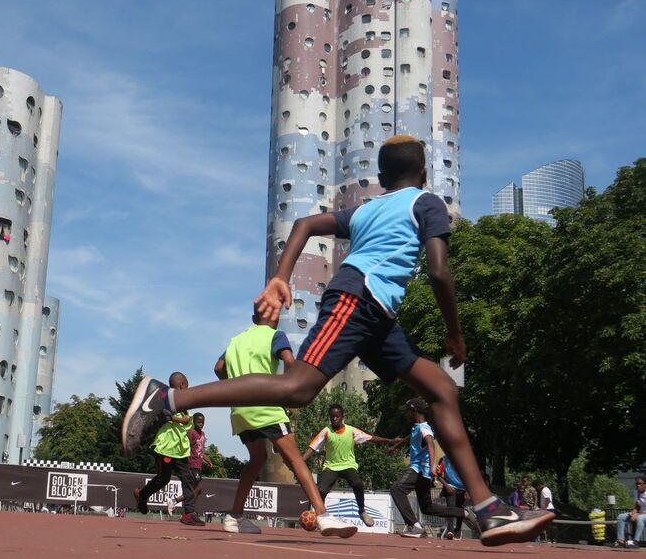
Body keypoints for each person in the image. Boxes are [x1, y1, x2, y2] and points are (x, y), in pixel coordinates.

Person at [122, 135, 554, 546]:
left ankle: (488, 508)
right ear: (423, 172)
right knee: (299, 388)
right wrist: (454, 333)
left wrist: (280, 277)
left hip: (378, 317)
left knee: (440, 389)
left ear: (383, 180)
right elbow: (440, 272)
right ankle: (168, 400)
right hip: (357, 299)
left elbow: (307, 223)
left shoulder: (365, 211)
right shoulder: (428, 203)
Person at [216, 308, 357, 537]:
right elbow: (290, 363)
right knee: (295, 460)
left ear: (253, 319)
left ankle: (235, 516)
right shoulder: (275, 335)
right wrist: (288, 396)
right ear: (275, 318)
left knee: (257, 459)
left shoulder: (236, 340)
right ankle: (323, 515)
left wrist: (236, 387)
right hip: (266, 404)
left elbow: (219, 368)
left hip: (240, 409)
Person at [302, 403, 400, 527]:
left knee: (358, 483)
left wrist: (390, 441)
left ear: (343, 416)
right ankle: (320, 516)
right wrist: (299, 461)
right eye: (332, 416)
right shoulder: (326, 431)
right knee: (321, 490)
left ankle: (362, 511)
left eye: (337, 416)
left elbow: (370, 438)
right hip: (331, 466)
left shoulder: (351, 430)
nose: (334, 419)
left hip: (348, 465)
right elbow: (312, 447)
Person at [389, 398, 473, 537]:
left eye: (408, 411)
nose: (406, 414)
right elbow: (412, 436)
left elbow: (430, 444)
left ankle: (414, 526)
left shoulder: (424, 428)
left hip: (419, 469)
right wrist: (395, 446)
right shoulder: (418, 427)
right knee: (428, 508)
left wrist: (433, 466)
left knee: (396, 489)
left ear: (414, 411)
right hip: (423, 473)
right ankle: (464, 513)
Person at [133, 372, 203, 526]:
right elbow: (165, 414)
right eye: (187, 385)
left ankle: (189, 514)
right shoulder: (166, 399)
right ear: (182, 385)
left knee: (188, 479)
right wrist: (177, 418)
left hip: (180, 450)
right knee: (162, 479)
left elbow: (189, 422)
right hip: (165, 447)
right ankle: (142, 495)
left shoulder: (184, 405)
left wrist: (182, 419)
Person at [167, 412, 213, 516]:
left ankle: (175, 501)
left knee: (196, 490)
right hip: (191, 465)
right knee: (198, 488)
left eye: (203, 422)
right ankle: (188, 509)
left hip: (198, 465)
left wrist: (208, 460)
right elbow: (185, 446)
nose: (201, 424)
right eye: (199, 422)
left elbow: (201, 450)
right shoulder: (191, 433)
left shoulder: (202, 434)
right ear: (193, 422)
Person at [436, 453, 467, 539]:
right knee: (450, 508)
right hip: (450, 487)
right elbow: (438, 475)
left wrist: (468, 490)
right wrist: (446, 486)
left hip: (462, 488)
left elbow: (468, 475)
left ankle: (458, 529)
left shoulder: (463, 459)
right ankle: (450, 530)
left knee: (460, 509)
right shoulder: (443, 460)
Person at [615, 476, 646, 549]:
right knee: (621, 517)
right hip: (641, 514)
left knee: (640, 518)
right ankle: (620, 540)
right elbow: (637, 507)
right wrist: (632, 513)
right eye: (636, 483)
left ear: (645, 484)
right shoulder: (636, 492)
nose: (637, 485)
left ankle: (636, 541)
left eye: (640, 483)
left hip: (642, 515)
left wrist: (637, 514)